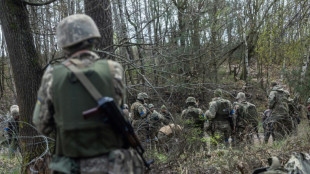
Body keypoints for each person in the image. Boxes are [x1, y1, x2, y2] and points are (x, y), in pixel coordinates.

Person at [32, 14, 143, 174]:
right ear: (93, 38)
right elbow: (119, 111)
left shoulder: (52, 76)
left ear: (64, 44)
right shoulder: (114, 70)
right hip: (112, 166)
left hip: (70, 166)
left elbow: (41, 125)